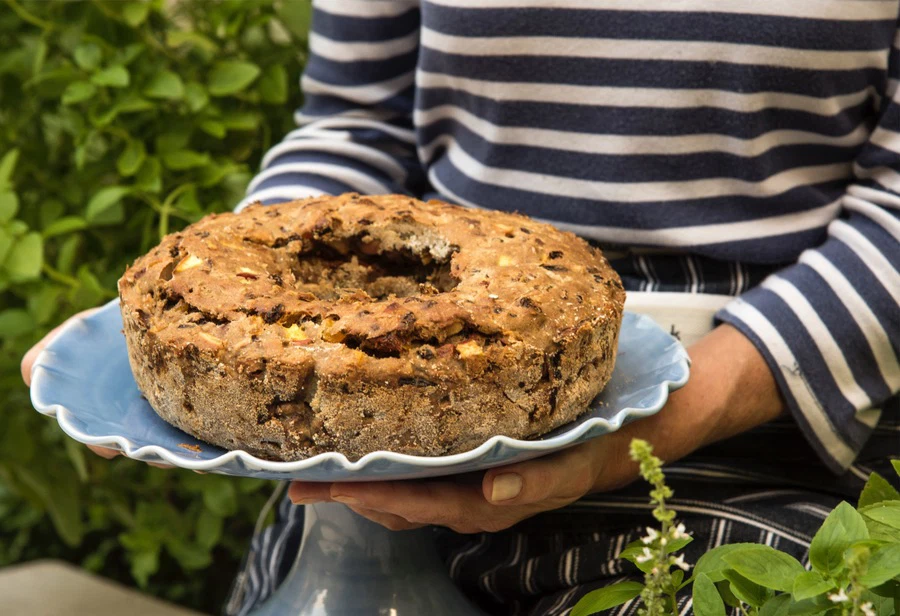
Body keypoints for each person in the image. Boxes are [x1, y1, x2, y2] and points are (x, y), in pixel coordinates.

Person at [21, 1, 900, 614]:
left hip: (770, 402)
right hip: (384, 416)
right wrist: (211, 328)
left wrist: (654, 430)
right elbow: (358, 121)